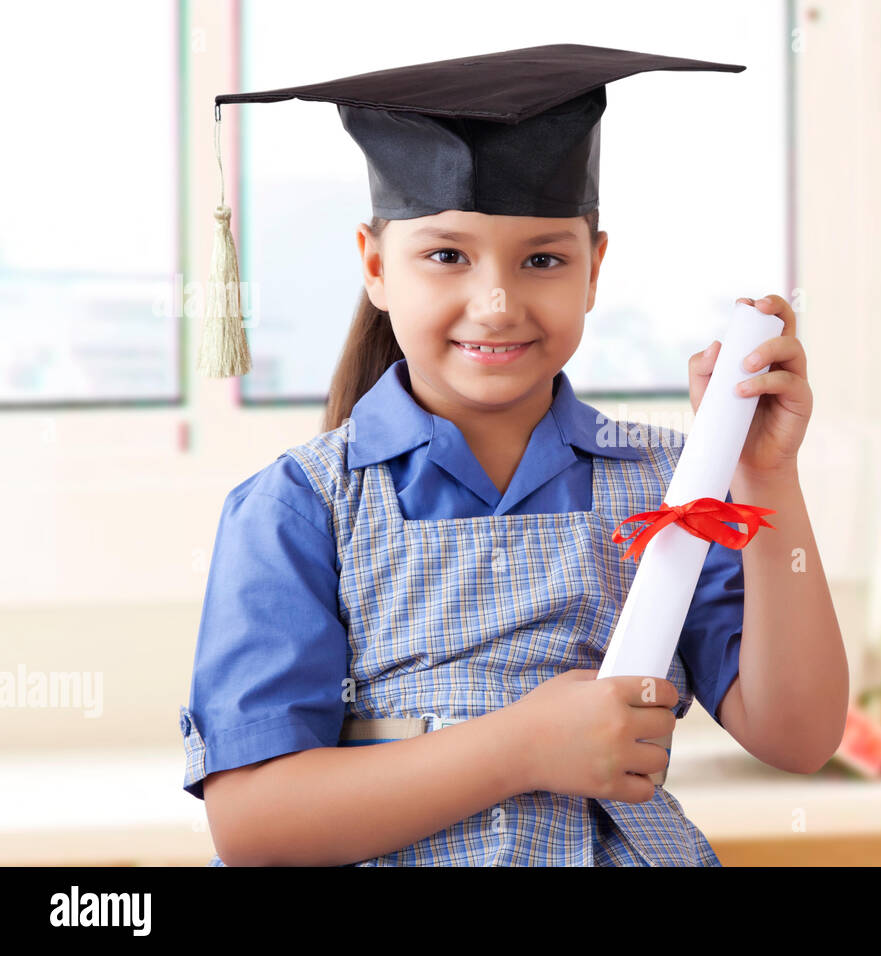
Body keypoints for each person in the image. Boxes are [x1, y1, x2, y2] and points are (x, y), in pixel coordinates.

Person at [179, 43, 847, 866]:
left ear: (594, 269)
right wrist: (522, 748)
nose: (496, 305)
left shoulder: (671, 486)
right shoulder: (301, 507)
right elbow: (254, 826)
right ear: (375, 266)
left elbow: (798, 734)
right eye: (446, 255)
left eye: (543, 260)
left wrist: (765, 477)